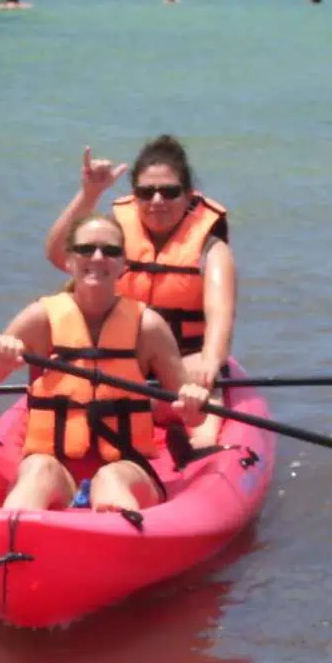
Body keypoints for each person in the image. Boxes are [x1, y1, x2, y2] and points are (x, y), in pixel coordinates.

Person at [0, 214, 208, 512]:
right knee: (37, 473)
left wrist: (194, 403)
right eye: (87, 249)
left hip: (126, 466)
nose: (98, 257)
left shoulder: (148, 327)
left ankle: (116, 541)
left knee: (110, 480)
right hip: (56, 464)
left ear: (123, 265)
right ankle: (15, 540)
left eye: (111, 250)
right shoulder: (39, 319)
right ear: (69, 260)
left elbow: (194, 418)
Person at [45, 135, 236, 449]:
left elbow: (220, 320)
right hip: (124, 359)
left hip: (185, 365)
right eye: (146, 192)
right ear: (134, 197)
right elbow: (57, 255)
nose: (157, 201)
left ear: (189, 195)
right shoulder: (114, 241)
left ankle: (200, 452)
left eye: (169, 192)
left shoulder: (212, 250)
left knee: (201, 403)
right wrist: (90, 193)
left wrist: (209, 366)